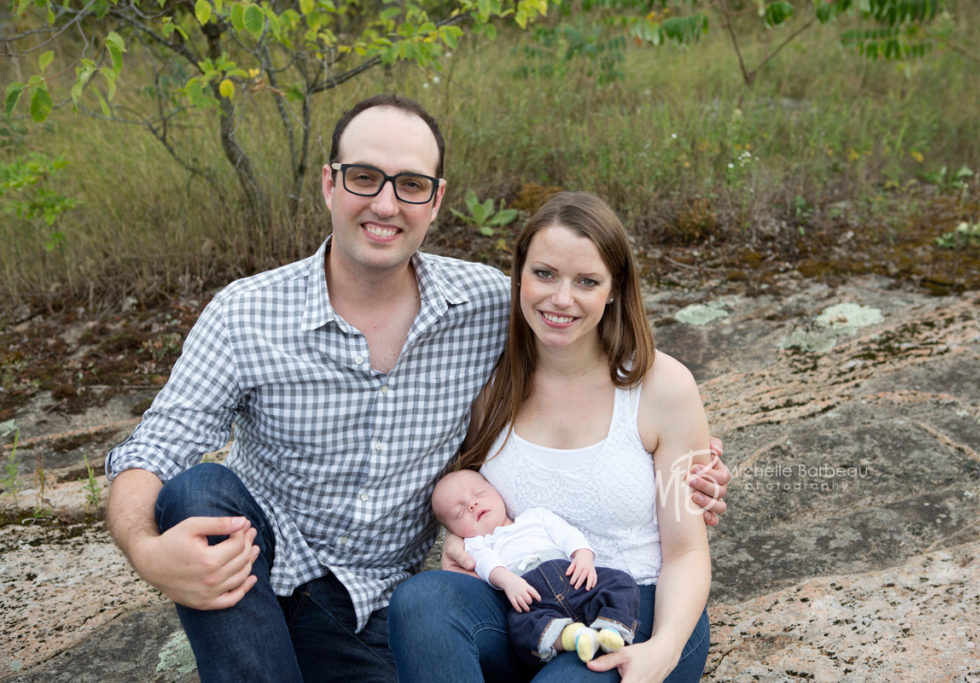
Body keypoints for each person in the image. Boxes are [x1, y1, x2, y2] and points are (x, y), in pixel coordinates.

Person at [104, 94, 730, 682]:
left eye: (409, 184)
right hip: (273, 585)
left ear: (434, 200)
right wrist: (145, 550)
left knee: (422, 611)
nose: (385, 204)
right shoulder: (246, 314)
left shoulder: (486, 308)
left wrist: (692, 468)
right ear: (329, 183)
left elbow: (617, 402)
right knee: (197, 491)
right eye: (363, 177)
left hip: (387, 611)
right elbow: (152, 449)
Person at [390, 191, 715, 682]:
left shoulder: (660, 387)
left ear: (614, 289)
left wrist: (664, 651)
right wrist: (463, 538)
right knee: (422, 601)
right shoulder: (489, 383)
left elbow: (687, 552)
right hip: (529, 610)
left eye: (586, 281)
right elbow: (470, 495)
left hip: (634, 609)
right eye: (544, 274)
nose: (561, 299)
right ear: (518, 274)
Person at [433, 469, 642, 665]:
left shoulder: (535, 516)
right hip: (533, 598)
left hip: (572, 579)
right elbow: (487, 564)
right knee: (520, 627)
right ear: (454, 531)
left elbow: (566, 533)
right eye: (459, 512)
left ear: (498, 492)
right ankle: (573, 637)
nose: (472, 505)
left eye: (478, 493)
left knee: (619, 581)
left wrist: (583, 555)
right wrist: (507, 581)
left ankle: (611, 628)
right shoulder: (477, 544)